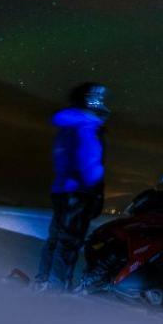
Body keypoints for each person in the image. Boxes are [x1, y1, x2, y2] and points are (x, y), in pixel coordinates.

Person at [33, 82, 110, 292]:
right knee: (69, 241)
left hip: (62, 189)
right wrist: (95, 190)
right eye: (97, 98)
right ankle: (58, 287)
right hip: (79, 192)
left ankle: (43, 280)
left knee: (56, 238)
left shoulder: (69, 126)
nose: (102, 103)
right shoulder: (86, 126)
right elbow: (89, 162)